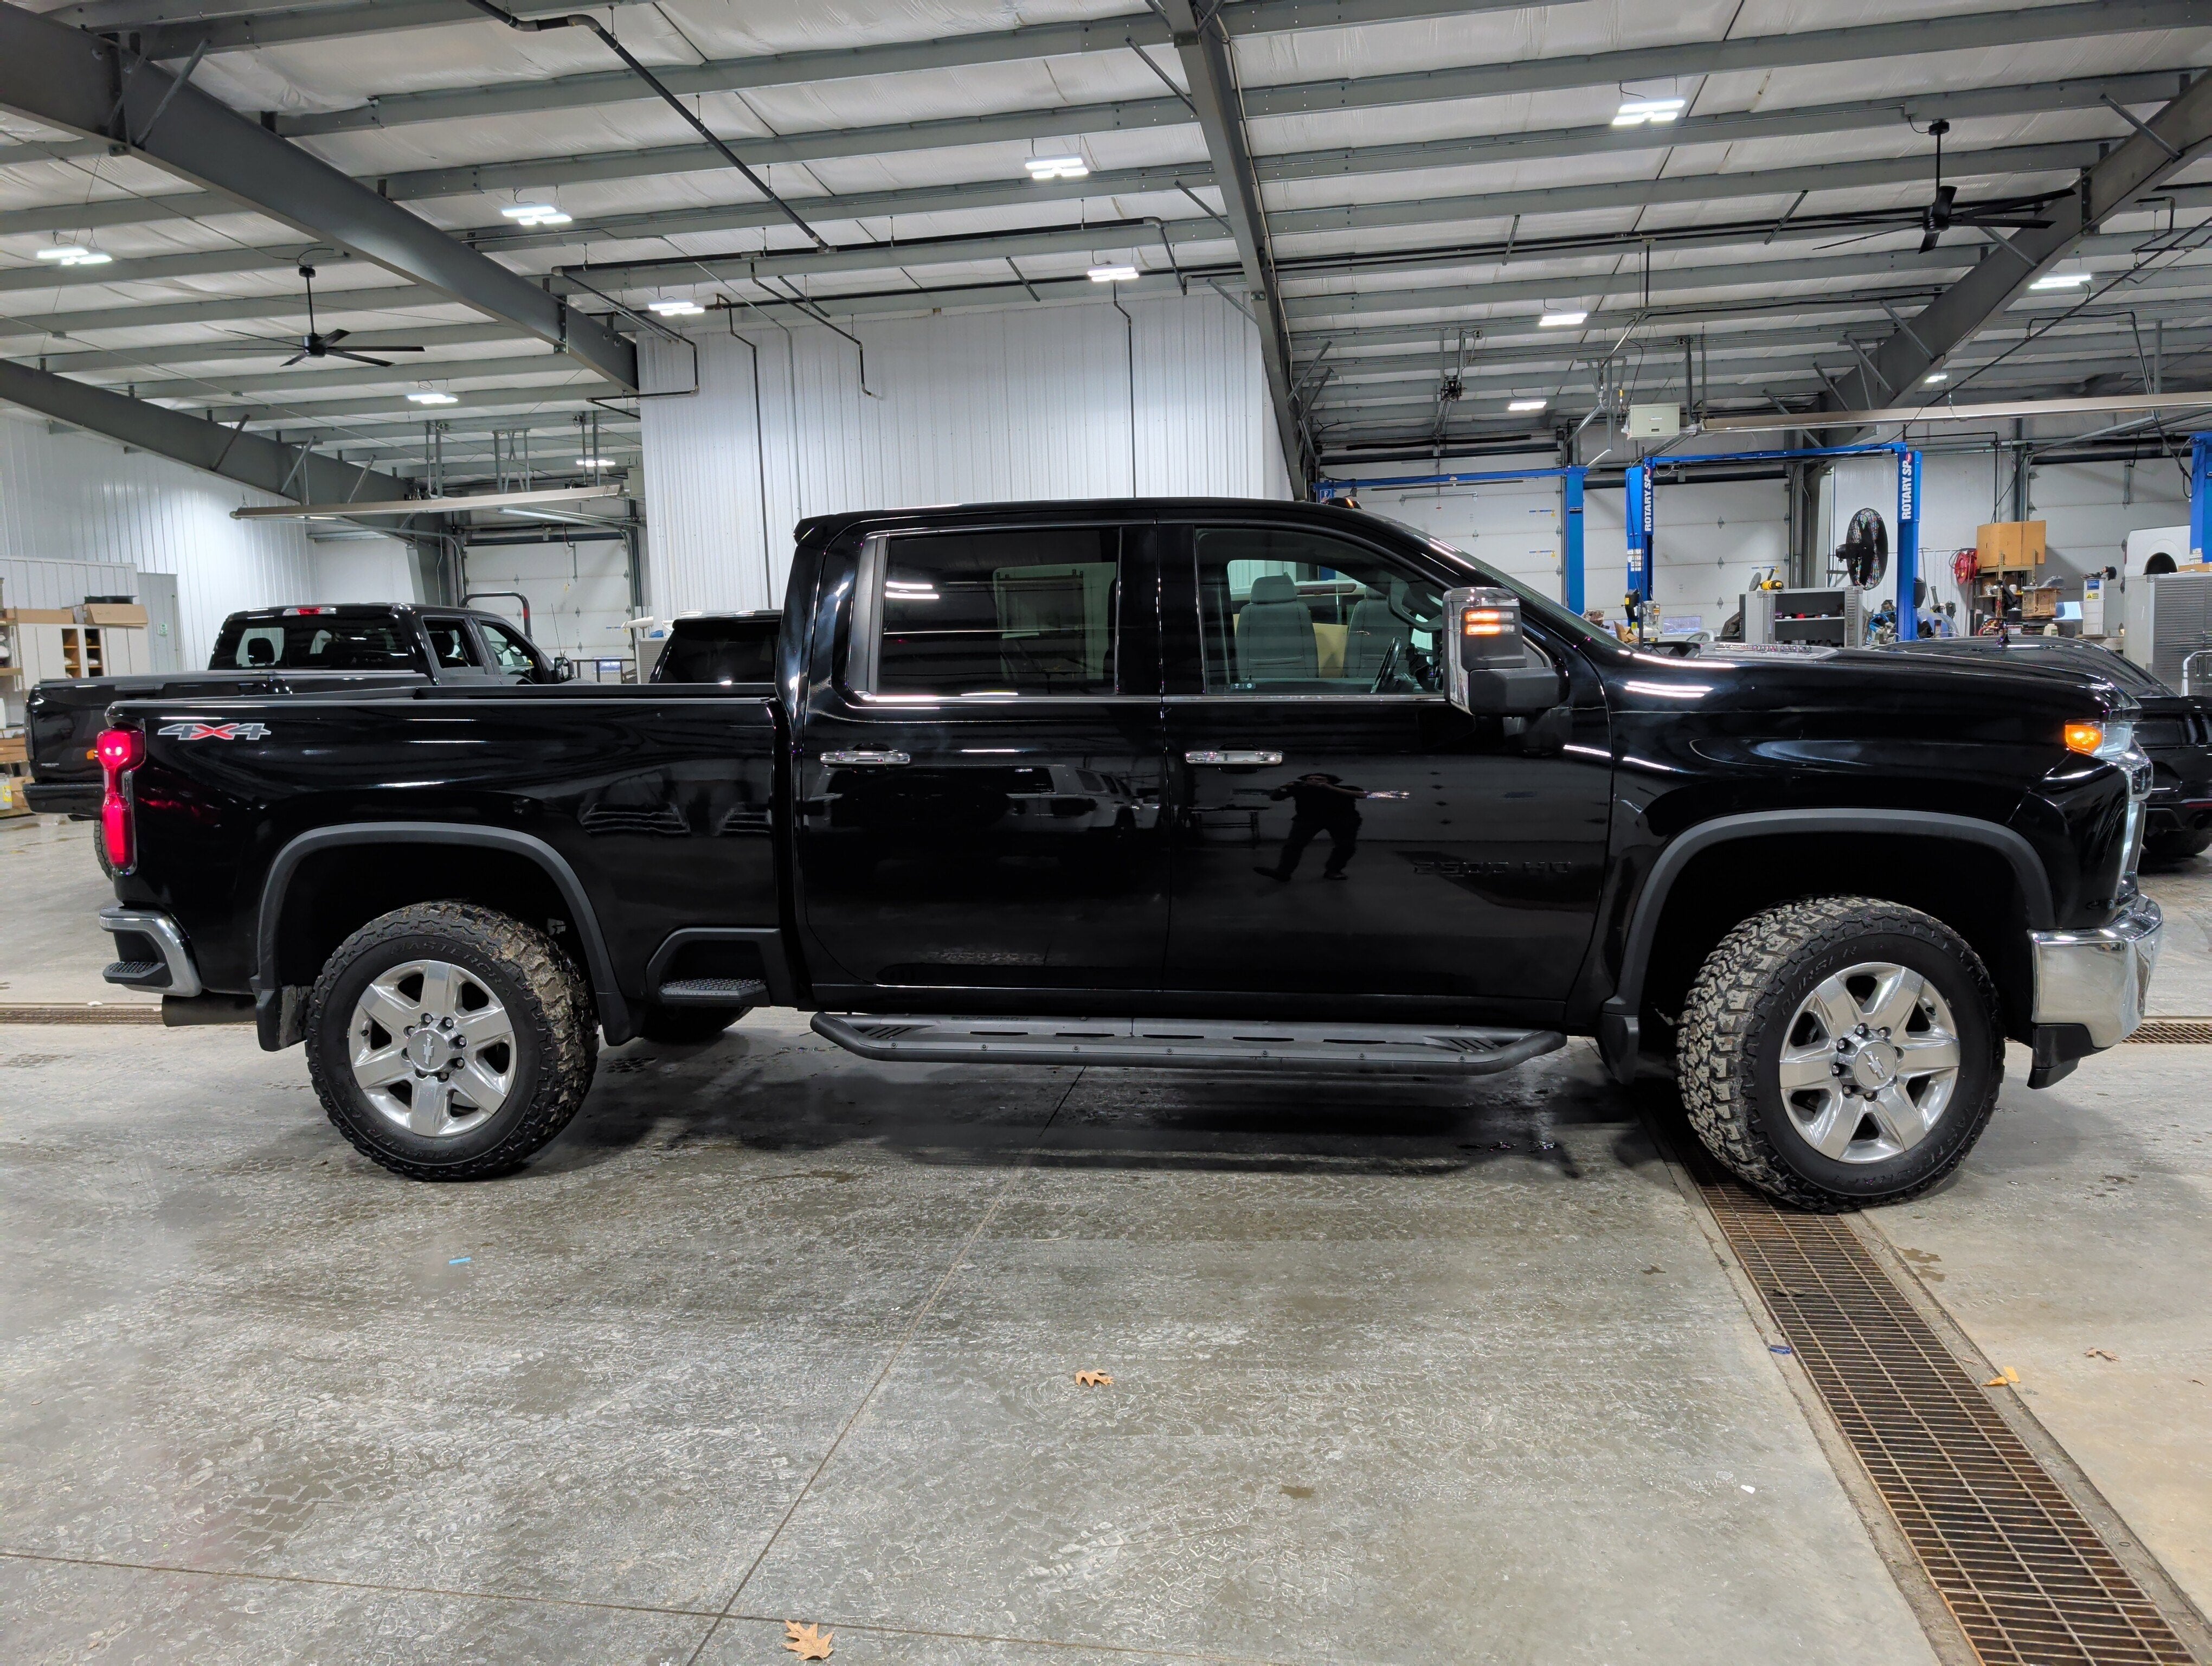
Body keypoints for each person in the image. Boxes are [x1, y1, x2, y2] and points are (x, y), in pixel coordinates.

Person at [1255, 772, 1368, 880]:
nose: (1314, 781)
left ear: (1329, 781)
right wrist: (1283, 787)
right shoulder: (1300, 789)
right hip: (1308, 820)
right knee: (1293, 845)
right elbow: (1275, 797)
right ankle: (1283, 873)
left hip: (1342, 820)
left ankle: (1334, 870)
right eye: (1310, 779)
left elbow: (1365, 795)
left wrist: (1329, 788)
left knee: (1346, 847)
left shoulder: (1347, 788)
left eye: (1319, 779)